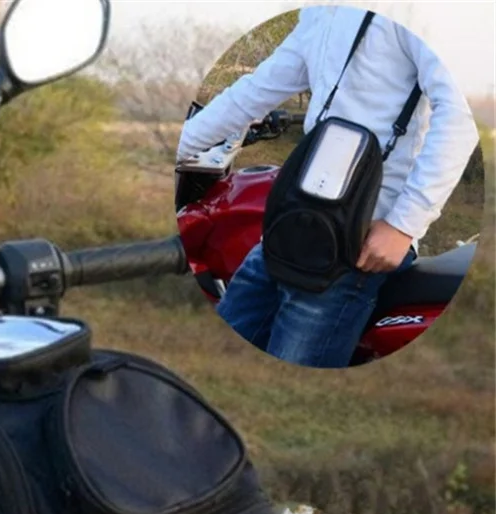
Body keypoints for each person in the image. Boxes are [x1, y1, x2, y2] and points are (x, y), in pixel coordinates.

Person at [177, 6, 479, 368]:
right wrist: (178, 146)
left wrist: (403, 224)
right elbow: (254, 91)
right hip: (293, 223)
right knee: (217, 361)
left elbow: (460, 113)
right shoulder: (320, 12)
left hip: (357, 243)